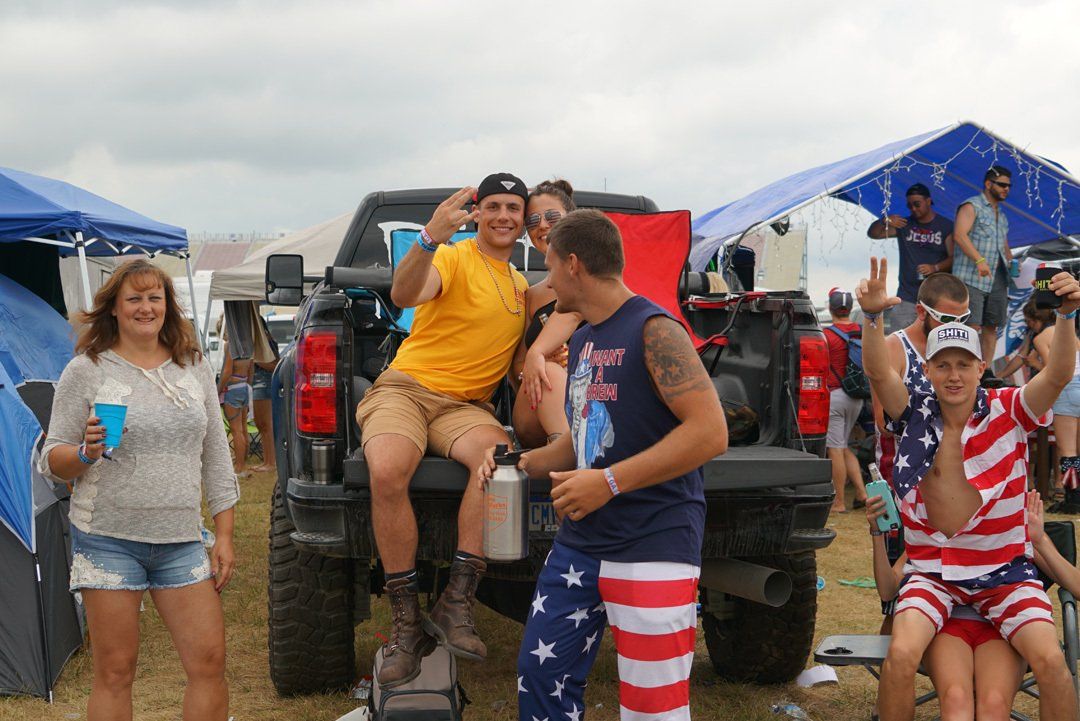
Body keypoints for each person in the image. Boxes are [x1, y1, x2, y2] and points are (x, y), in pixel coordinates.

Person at [478, 209, 728, 721]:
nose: (545, 281)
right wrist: (516, 462)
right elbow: (584, 442)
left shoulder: (655, 329)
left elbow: (710, 432)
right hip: (581, 544)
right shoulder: (586, 337)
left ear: (574, 265)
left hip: (653, 544)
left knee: (651, 708)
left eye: (549, 266)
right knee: (540, 678)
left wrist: (609, 483)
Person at [859, 256, 1079, 721]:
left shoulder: (1009, 409)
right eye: (943, 365)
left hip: (1004, 572)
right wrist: (873, 318)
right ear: (929, 370)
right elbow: (880, 374)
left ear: (981, 368)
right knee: (899, 656)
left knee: (1054, 663)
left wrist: (1064, 315)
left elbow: (1058, 374)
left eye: (964, 364)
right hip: (932, 572)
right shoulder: (915, 414)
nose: (954, 375)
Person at [38, 259, 238, 721]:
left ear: (168, 306)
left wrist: (224, 535)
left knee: (208, 663)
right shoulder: (86, 371)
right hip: (107, 540)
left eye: (155, 298)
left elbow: (217, 454)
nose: (146, 308)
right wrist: (85, 453)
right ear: (114, 309)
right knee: (115, 670)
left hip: (182, 541)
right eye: (135, 299)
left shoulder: (194, 366)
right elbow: (52, 460)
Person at [354, 175, 531, 687]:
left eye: (513, 208)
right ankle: (407, 625)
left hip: (465, 407)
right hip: (405, 391)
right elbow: (406, 291)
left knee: (499, 461)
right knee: (387, 470)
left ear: (522, 218)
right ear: (477, 214)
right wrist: (430, 239)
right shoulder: (452, 257)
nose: (503, 215)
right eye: (492, 206)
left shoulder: (520, 285)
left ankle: (456, 603)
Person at [511, 179, 579, 448]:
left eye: (552, 216)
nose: (542, 225)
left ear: (572, 219)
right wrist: (533, 366)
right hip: (537, 409)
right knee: (548, 372)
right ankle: (566, 457)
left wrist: (541, 354)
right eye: (532, 221)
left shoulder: (594, 277)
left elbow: (572, 314)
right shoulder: (532, 294)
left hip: (597, 396)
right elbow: (517, 364)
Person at [952, 166, 1015, 374]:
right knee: (972, 325)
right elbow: (959, 235)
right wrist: (979, 260)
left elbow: (1003, 245)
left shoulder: (1002, 215)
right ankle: (967, 368)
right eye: (1002, 185)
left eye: (1009, 186)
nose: (1007, 189)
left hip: (997, 277)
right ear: (989, 184)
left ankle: (985, 370)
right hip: (971, 277)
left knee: (992, 326)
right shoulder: (972, 205)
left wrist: (1011, 259)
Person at [866, 183, 955, 330]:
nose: (913, 208)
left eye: (917, 204)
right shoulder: (904, 225)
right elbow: (873, 234)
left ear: (928, 201)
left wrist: (935, 268)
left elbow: (954, 257)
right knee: (901, 343)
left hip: (936, 298)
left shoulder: (945, 226)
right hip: (907, 297)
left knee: (933, 344)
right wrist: (884, 220)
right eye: (909, 205)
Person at [1030, 304, 1080, 513]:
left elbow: (1055, 368)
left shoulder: (1041, 338)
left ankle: (1072, 499)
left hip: (1067, 387)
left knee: (1067, 449)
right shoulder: (1072, 332)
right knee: (1077, 448)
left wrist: (1035, 363)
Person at [823, 287, 869, 513]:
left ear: (830, 308)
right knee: (844, 447)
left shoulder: (827, 335)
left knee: (834, 449)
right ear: (850, 308)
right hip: (857, 397)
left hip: (835, 396)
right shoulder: (861, 332)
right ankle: (861, 493)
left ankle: (838, 502)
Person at [217, 339, 253, 477]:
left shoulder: (230, 345)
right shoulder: (248, 344)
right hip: (244, 387)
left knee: (236, 431)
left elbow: (227, 372)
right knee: (243, 428)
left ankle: (240, 468)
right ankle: (243, 463)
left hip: (232, 389)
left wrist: (217, 391)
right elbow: (251, 371)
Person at [250, 317, 279, 473]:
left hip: (265, 385)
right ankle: (267, 460)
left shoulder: (267, 342)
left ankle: (271, 462)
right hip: (257, 385)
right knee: (261, 424)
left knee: (266, 425)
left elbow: (276, 365)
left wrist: (257, 361)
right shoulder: (259, 342)